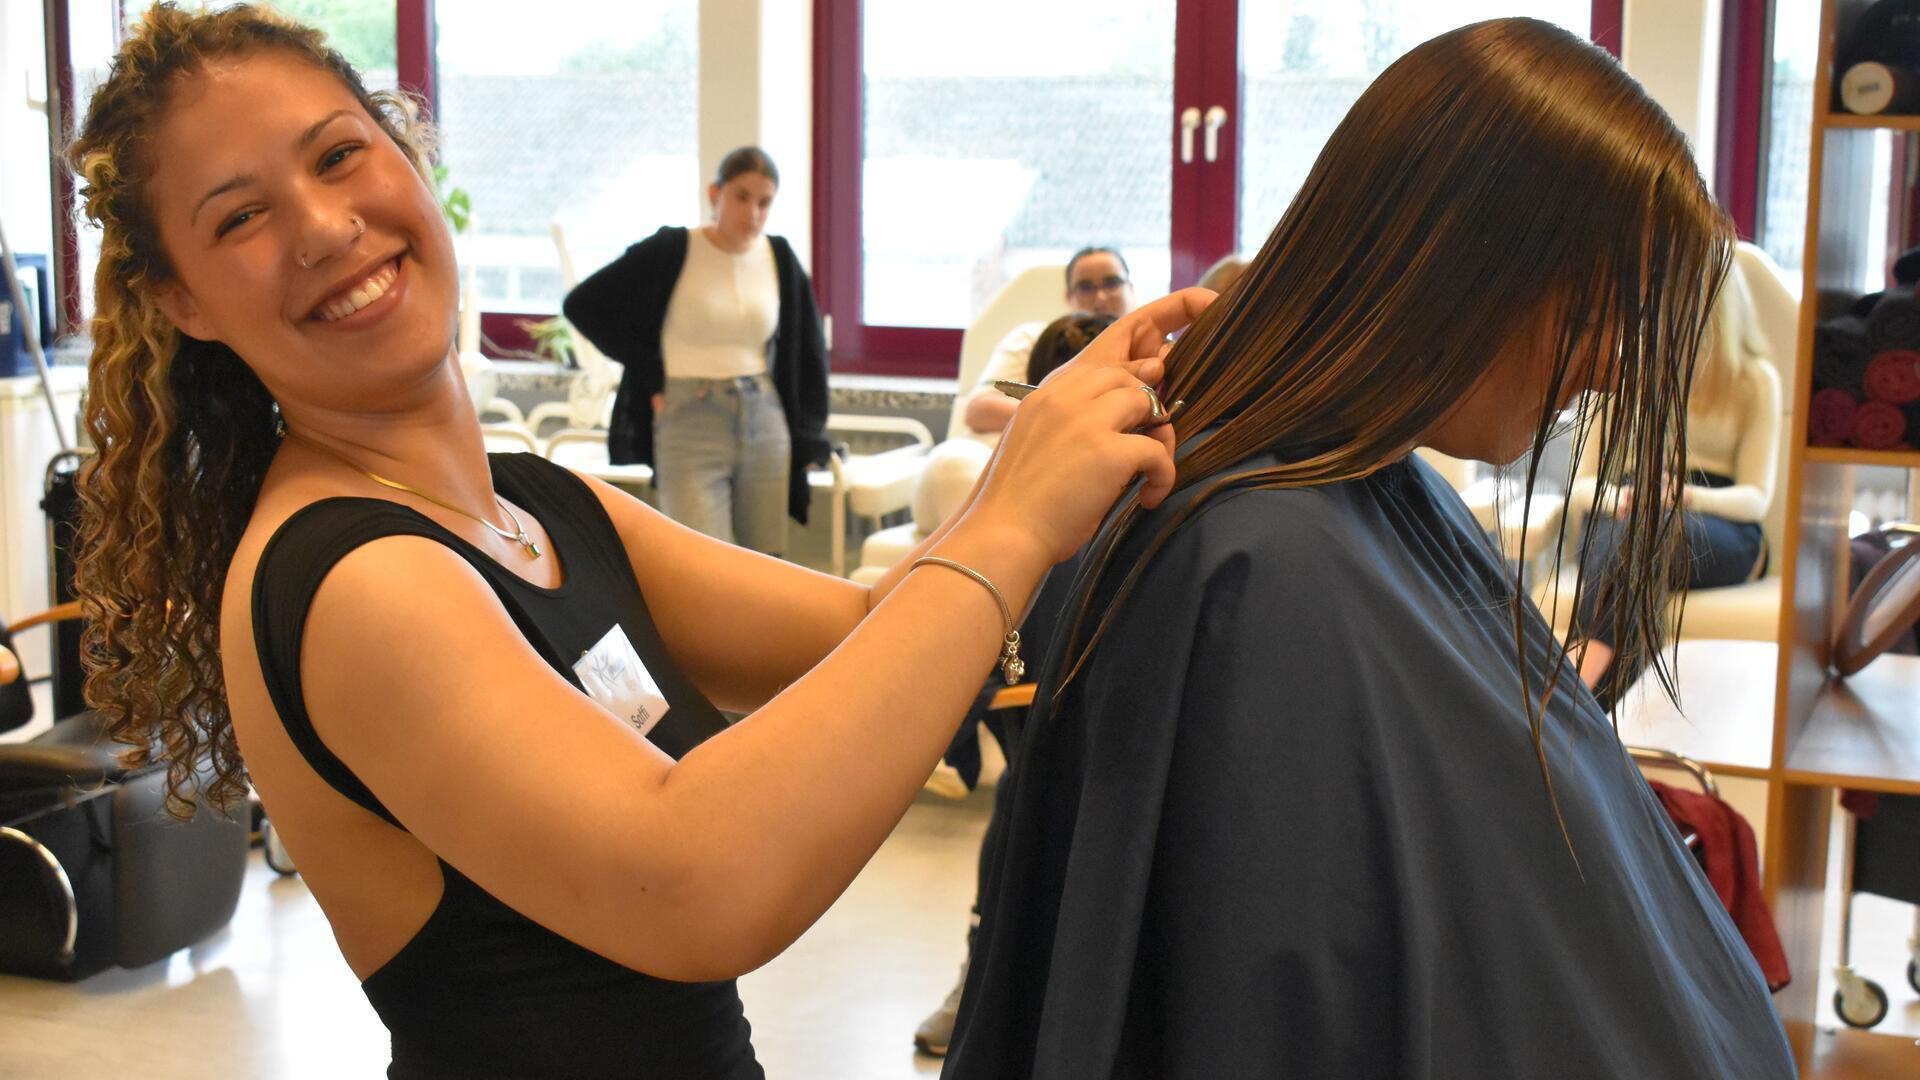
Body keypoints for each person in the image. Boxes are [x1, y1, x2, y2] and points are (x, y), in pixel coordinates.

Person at [65, 7, 1199, 1077]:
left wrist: (1061, 441)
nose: (323, 227)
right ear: (182, 299)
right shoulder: (358, 580)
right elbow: (693, 881)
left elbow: (865, 632)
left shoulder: (538, 503)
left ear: (409, 156)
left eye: (337, 155)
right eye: (240, 217)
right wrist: (1006, 525)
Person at [944, 19, 1795, 1079]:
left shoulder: (1369, 501)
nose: (1616, 368)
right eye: (1601, 312)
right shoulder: (1259, 567)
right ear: (1463, 265)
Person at [913, 309, 1118, 1056]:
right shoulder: (1012, 471)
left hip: (1114, 674)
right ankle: (983, 965)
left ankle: (954, 734)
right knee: (1027, 792)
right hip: (1034, 675)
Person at [562, 147, 827, 555]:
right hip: (689, 415)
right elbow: (582, 305)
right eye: (741, 196)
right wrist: (651, 372)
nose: (752, 212)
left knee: (767, 563)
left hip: (763, 416)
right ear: (714, 193)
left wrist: (810, 436)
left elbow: (809, 354)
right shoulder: (672, 249)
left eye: (764, 202)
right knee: (701, 559)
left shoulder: (779, 258)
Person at [1563, 286, 1782, 704]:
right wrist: (1623, 500)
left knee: (1644, 534)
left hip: (1719, 523)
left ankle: (1574, 687)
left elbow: (1756, 498)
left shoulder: (1755, 380)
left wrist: (1685, 497)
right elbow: (1581, 484)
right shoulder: (1615, 368)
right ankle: (1592, 698)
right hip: (1625, 509)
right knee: (1629, 540)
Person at [957, 246, 1136, 444]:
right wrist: (1067, 416)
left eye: (1112, 283)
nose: (1100, 298)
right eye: (1086, 287)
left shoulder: (1148, 353)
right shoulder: (1031, 340)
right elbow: (978, 411)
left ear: (1131, 289)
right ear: (1068, 297)